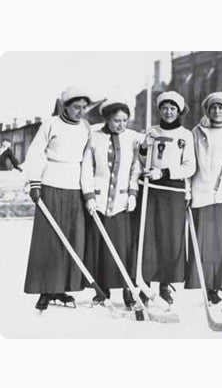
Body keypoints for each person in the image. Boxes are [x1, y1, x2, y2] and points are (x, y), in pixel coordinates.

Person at [24, 86, 92, 311]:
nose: (80, 112)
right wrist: (35, 182)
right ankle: (45, 289)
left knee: (71, 238)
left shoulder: (85, 128)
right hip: (51, 183)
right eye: (76, 107)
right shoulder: (50, 124)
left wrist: (88, 191)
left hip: (74, 186)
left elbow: (87, 160)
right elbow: (34, 153)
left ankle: (61, 287)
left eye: (84, 108)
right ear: (65, 106)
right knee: (49, 240)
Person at [81, 100, 140, 308]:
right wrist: (89, 196)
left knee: (123, 248)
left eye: (124, 120)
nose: (121, 125)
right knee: (100, 248)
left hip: (122, 203)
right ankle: (101, 291)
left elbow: (136, 168)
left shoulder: (132, 138)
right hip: (99, 200)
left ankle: (129, 291)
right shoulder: (94, 137)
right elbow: (87, 167)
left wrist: (133, 193)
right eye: (116, 120)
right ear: (107, 118)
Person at [139, 91, 196, 305]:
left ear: (179, 110)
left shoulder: (186, 134)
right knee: (149, 237)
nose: (168, 112)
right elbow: (144, 159)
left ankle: (165, 283)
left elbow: (190, 166)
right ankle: (144, 284)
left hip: (173, 190)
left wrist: (164, 173)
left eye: (172, 108)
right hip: (151, 189)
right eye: (164, 108)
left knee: (170, 239)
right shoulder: (152, 130)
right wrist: (144, 147)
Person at [185, 92, 222, 304]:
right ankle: (206, 285)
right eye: (214, 107)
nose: (217, 111)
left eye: (221, 108)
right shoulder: (197, 132)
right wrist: (188, 190)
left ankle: (218, 285)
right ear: (208, 110)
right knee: (205, 243)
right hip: (203, 192)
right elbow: (191, 163)